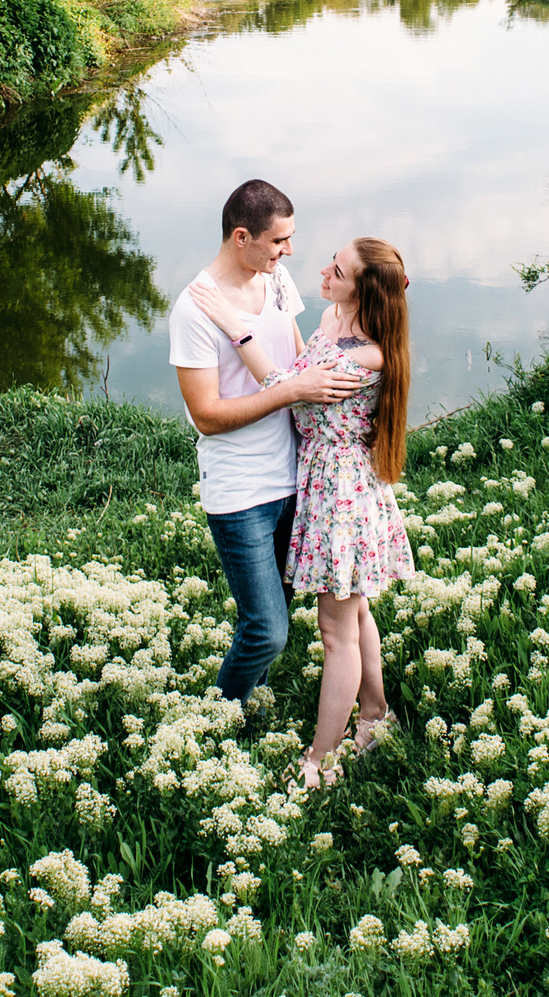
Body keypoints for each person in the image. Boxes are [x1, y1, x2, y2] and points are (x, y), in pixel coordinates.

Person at [193, 237, 415, 790]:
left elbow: (287, 389)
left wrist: (233, 324)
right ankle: (374, 713)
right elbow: (299, 367)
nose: (323, 271)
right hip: (323, 478)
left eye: (337, 271)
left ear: (363, 292)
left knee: (336, 632)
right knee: (355, 611)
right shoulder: (333, 318)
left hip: (341, 492)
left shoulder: (365, 357)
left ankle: (320, 759)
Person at [171, 180, 363, 713]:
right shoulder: (194, 310)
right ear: (242, 237)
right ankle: (218, 716)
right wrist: (293, 391)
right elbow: (207, 416)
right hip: (242, 492)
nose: (289, 251)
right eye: (279, 240)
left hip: (297, 479)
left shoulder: (275, 278)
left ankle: (245, 702)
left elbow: (299, 354)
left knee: (282, 605)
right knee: (267, 630)